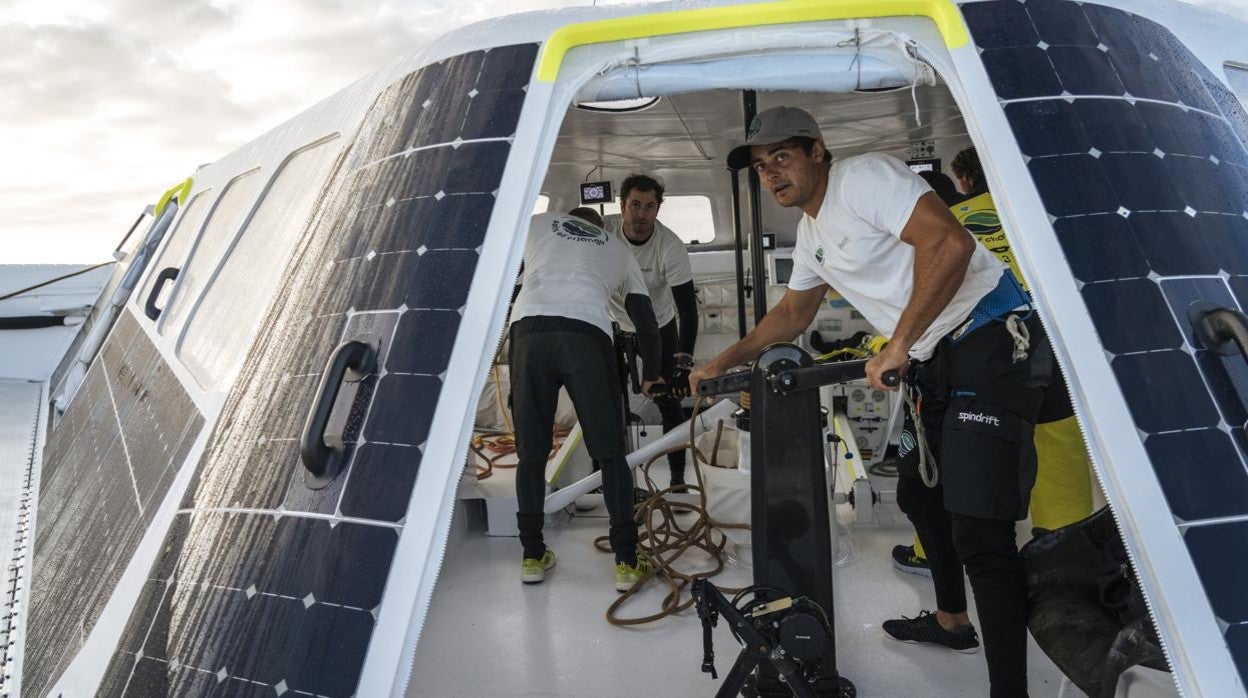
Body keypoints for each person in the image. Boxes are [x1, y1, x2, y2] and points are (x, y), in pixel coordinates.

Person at [689, 107, 1052, 698]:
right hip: (935, 359)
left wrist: (899, 343)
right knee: (919, 495)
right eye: (760, 166)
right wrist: (721, 362)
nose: (772, 173)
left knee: (980, 534)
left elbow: (951, 244)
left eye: (782, 157)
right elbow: (792, 314)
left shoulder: (864, 180)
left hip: (990, 337)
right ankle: (951, 622)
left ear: (817, 152)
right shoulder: (811, 234)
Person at [893, 151, 1094, 577]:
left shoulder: (947, 224)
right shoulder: (1041, 217)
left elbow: (923, 297)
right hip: (1058, 346)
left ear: (963, 177)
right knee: (1058, 446)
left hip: (982, 357)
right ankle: (1065, 558)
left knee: (950, 454)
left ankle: (930, 553)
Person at [509, 208, 663, 591]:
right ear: (600, 229)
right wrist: (653, 375)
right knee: (610, 453)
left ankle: (532, 555)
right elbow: (645, 320)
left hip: (528, 330)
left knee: (531, 453)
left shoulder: (537, 224)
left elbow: (508, 281)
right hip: (586, 335)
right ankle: (627, 562)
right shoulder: (619, 249)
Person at [604, 174, 698, 488]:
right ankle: (609, 477)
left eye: (649, 207)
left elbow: (687, 308)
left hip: (659, 326)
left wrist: (684, 364)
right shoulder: (605, 232)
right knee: (607, 403)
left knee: (669, 401)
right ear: (622, 205)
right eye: (635, 205)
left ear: (658, 209)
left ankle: (677, 476)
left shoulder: (670, 247)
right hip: (614, 327)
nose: (641, 214)